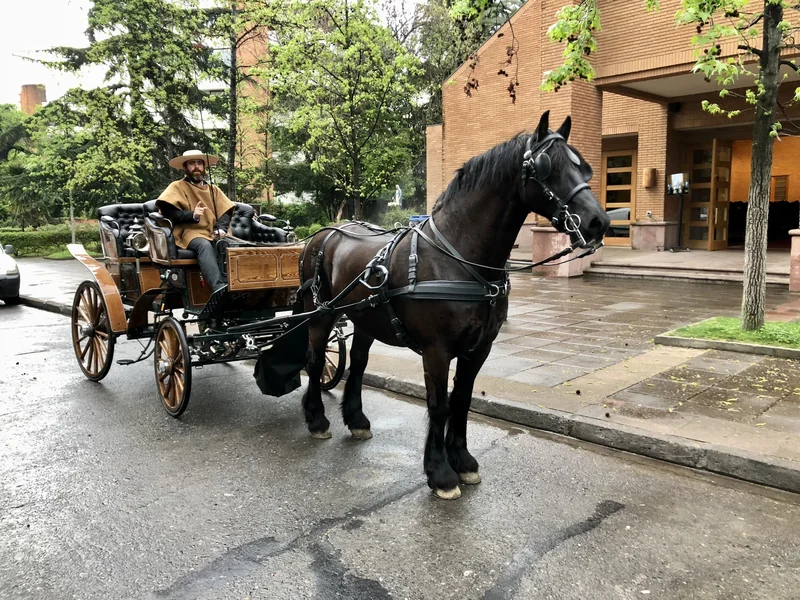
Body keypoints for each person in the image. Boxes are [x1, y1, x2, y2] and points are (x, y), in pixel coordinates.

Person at [156, 149, 236, 293]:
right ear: (185, 167)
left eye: (200, 163)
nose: (197, 166)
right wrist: (192, 215)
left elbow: (226, 211)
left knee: (235, 244)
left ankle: (240, 285)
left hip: (213, 231)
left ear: (204, 167)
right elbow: (168, 212)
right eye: (192, 163)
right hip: (190, 232)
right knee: (204, 245)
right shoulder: (177, 186)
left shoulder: (214, 189)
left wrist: (222, 229)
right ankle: (219, 289)